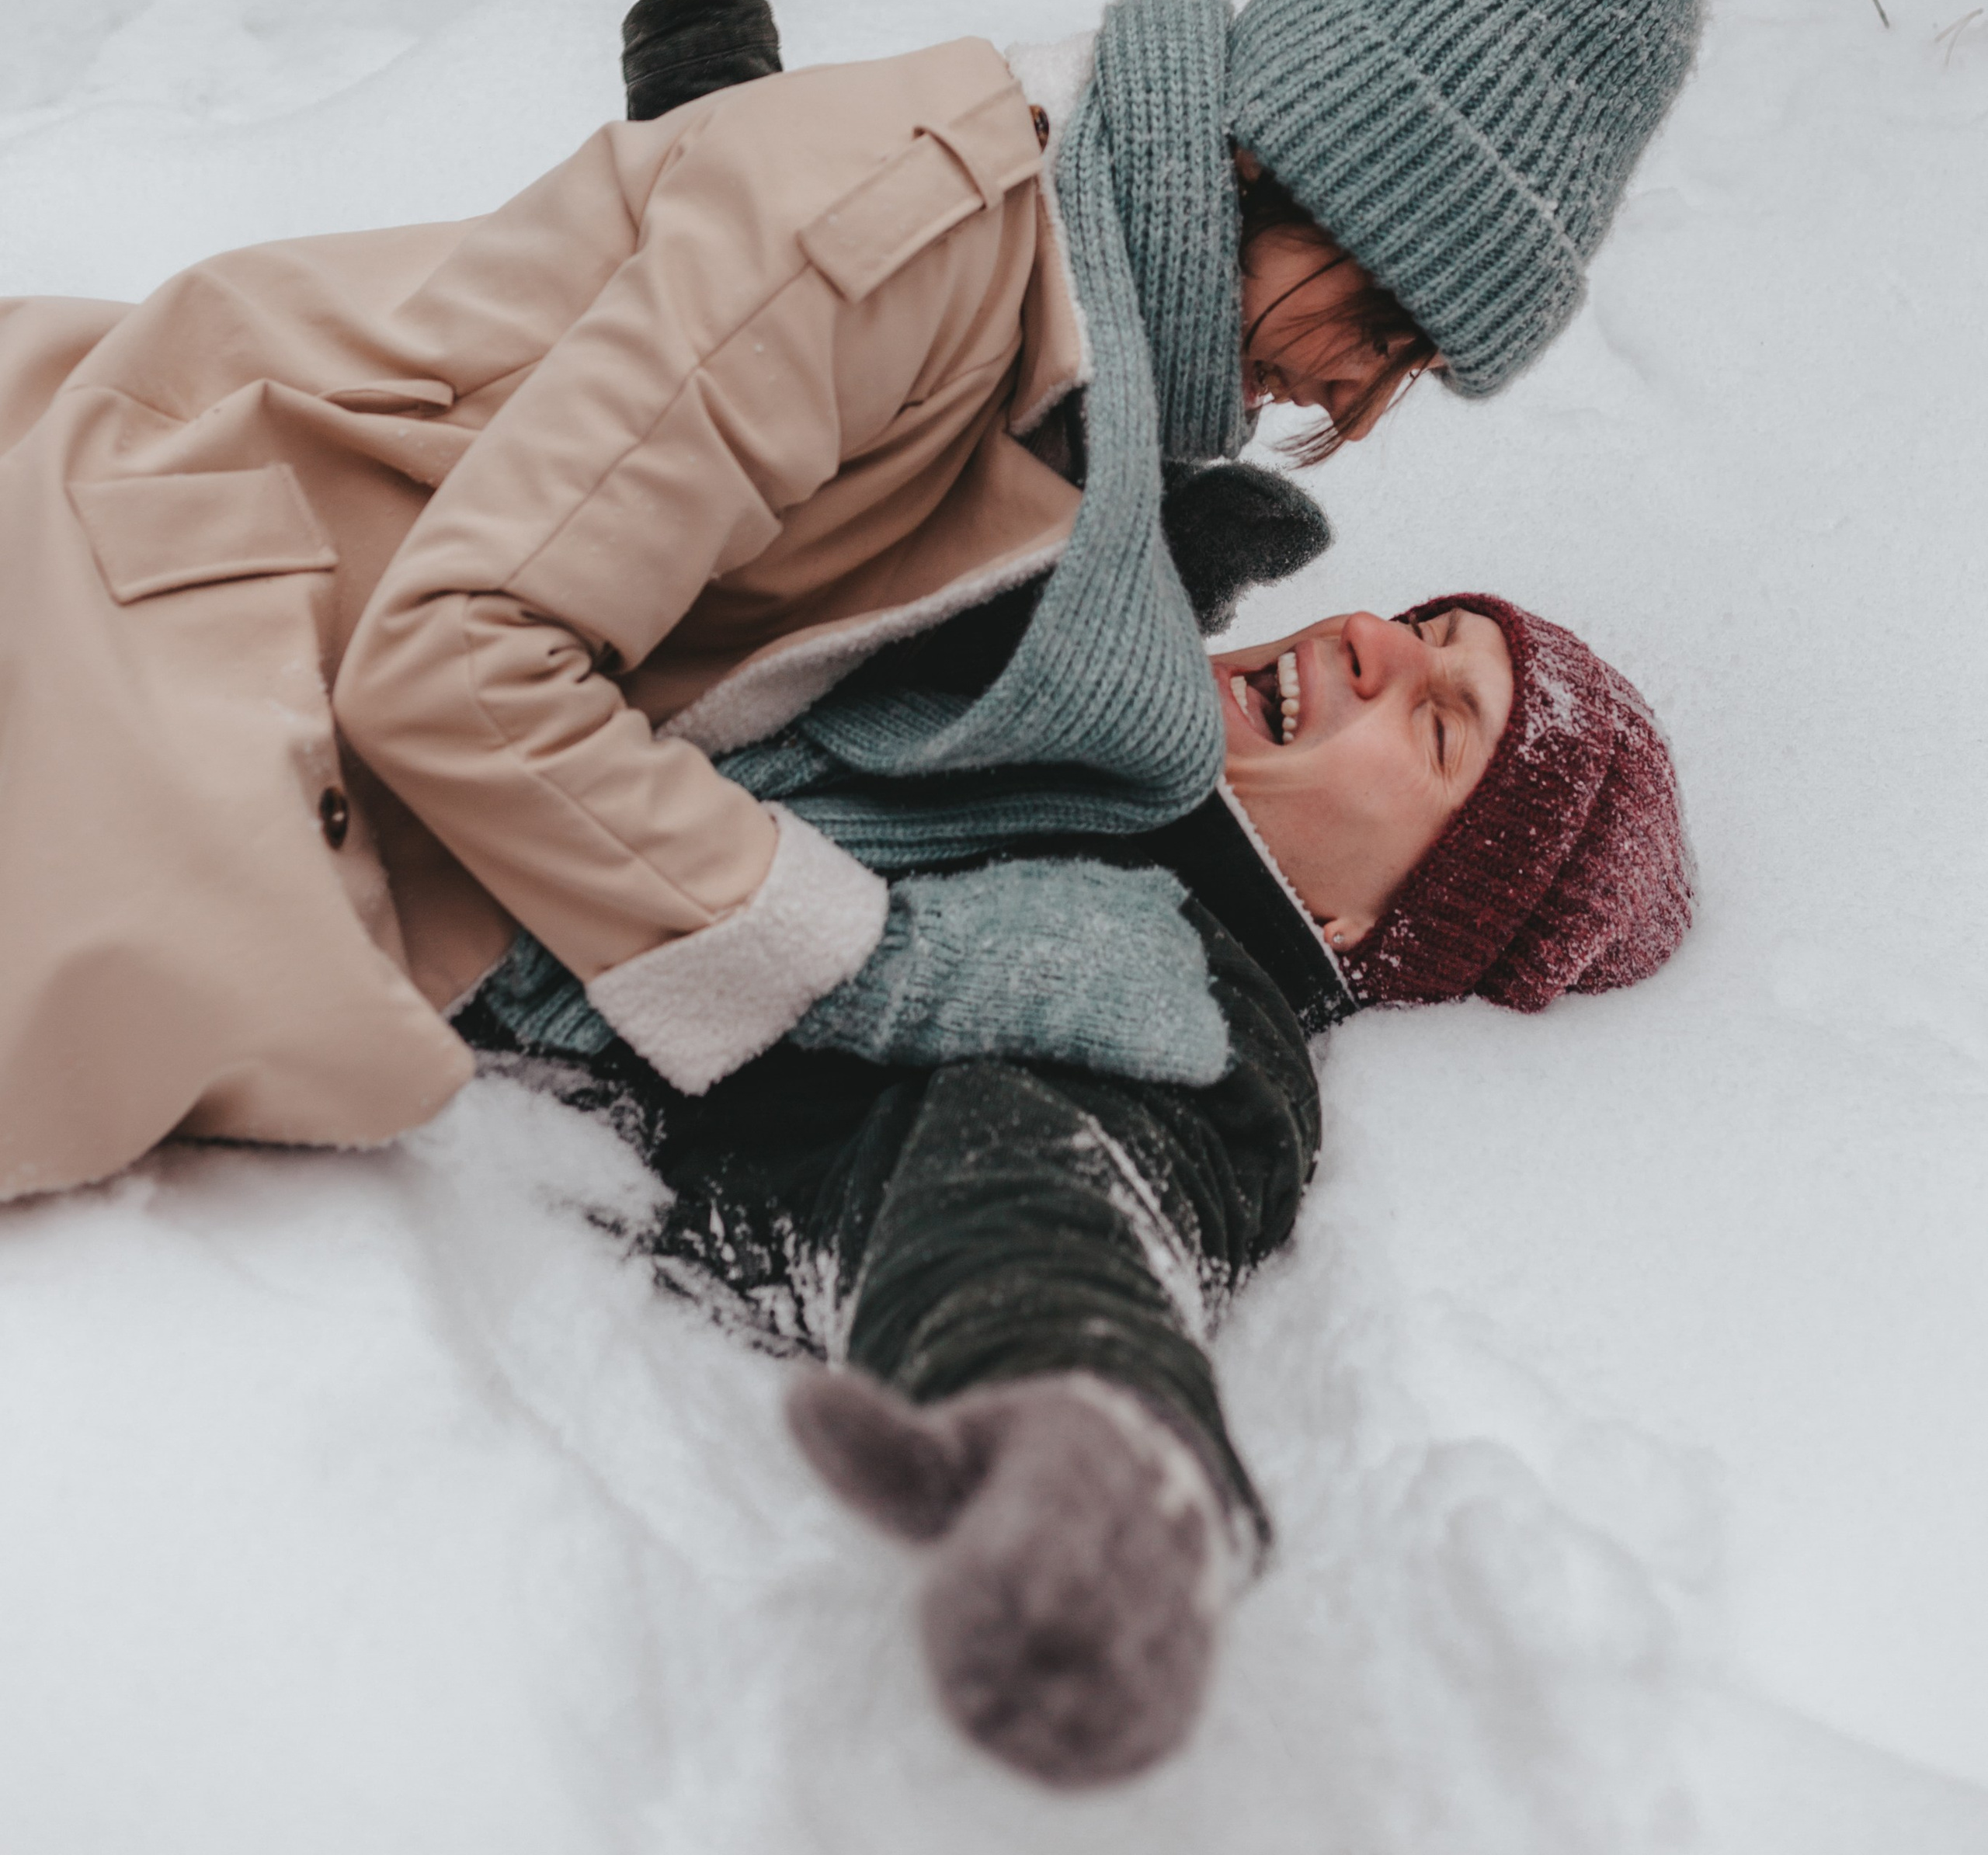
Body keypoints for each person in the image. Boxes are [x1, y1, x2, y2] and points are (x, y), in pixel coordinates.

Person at [0, 0, 1700, 1203]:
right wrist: (873, 960)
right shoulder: (938, 235)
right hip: (175, 636)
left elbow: (777, 399)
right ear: (1307, 184)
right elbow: (465, 655)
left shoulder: (1063, 291)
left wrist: (694, 8)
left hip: (267, 587)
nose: (1350, 397)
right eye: (1387, 327)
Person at [459, 582, 1692, 1791]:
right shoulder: (1063, 654)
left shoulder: (1198, 1012)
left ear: (1372, 927)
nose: (1372, 640)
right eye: (1425, 629)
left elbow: (1054, 1182)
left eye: (1437, 728)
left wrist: (1084, 1418)